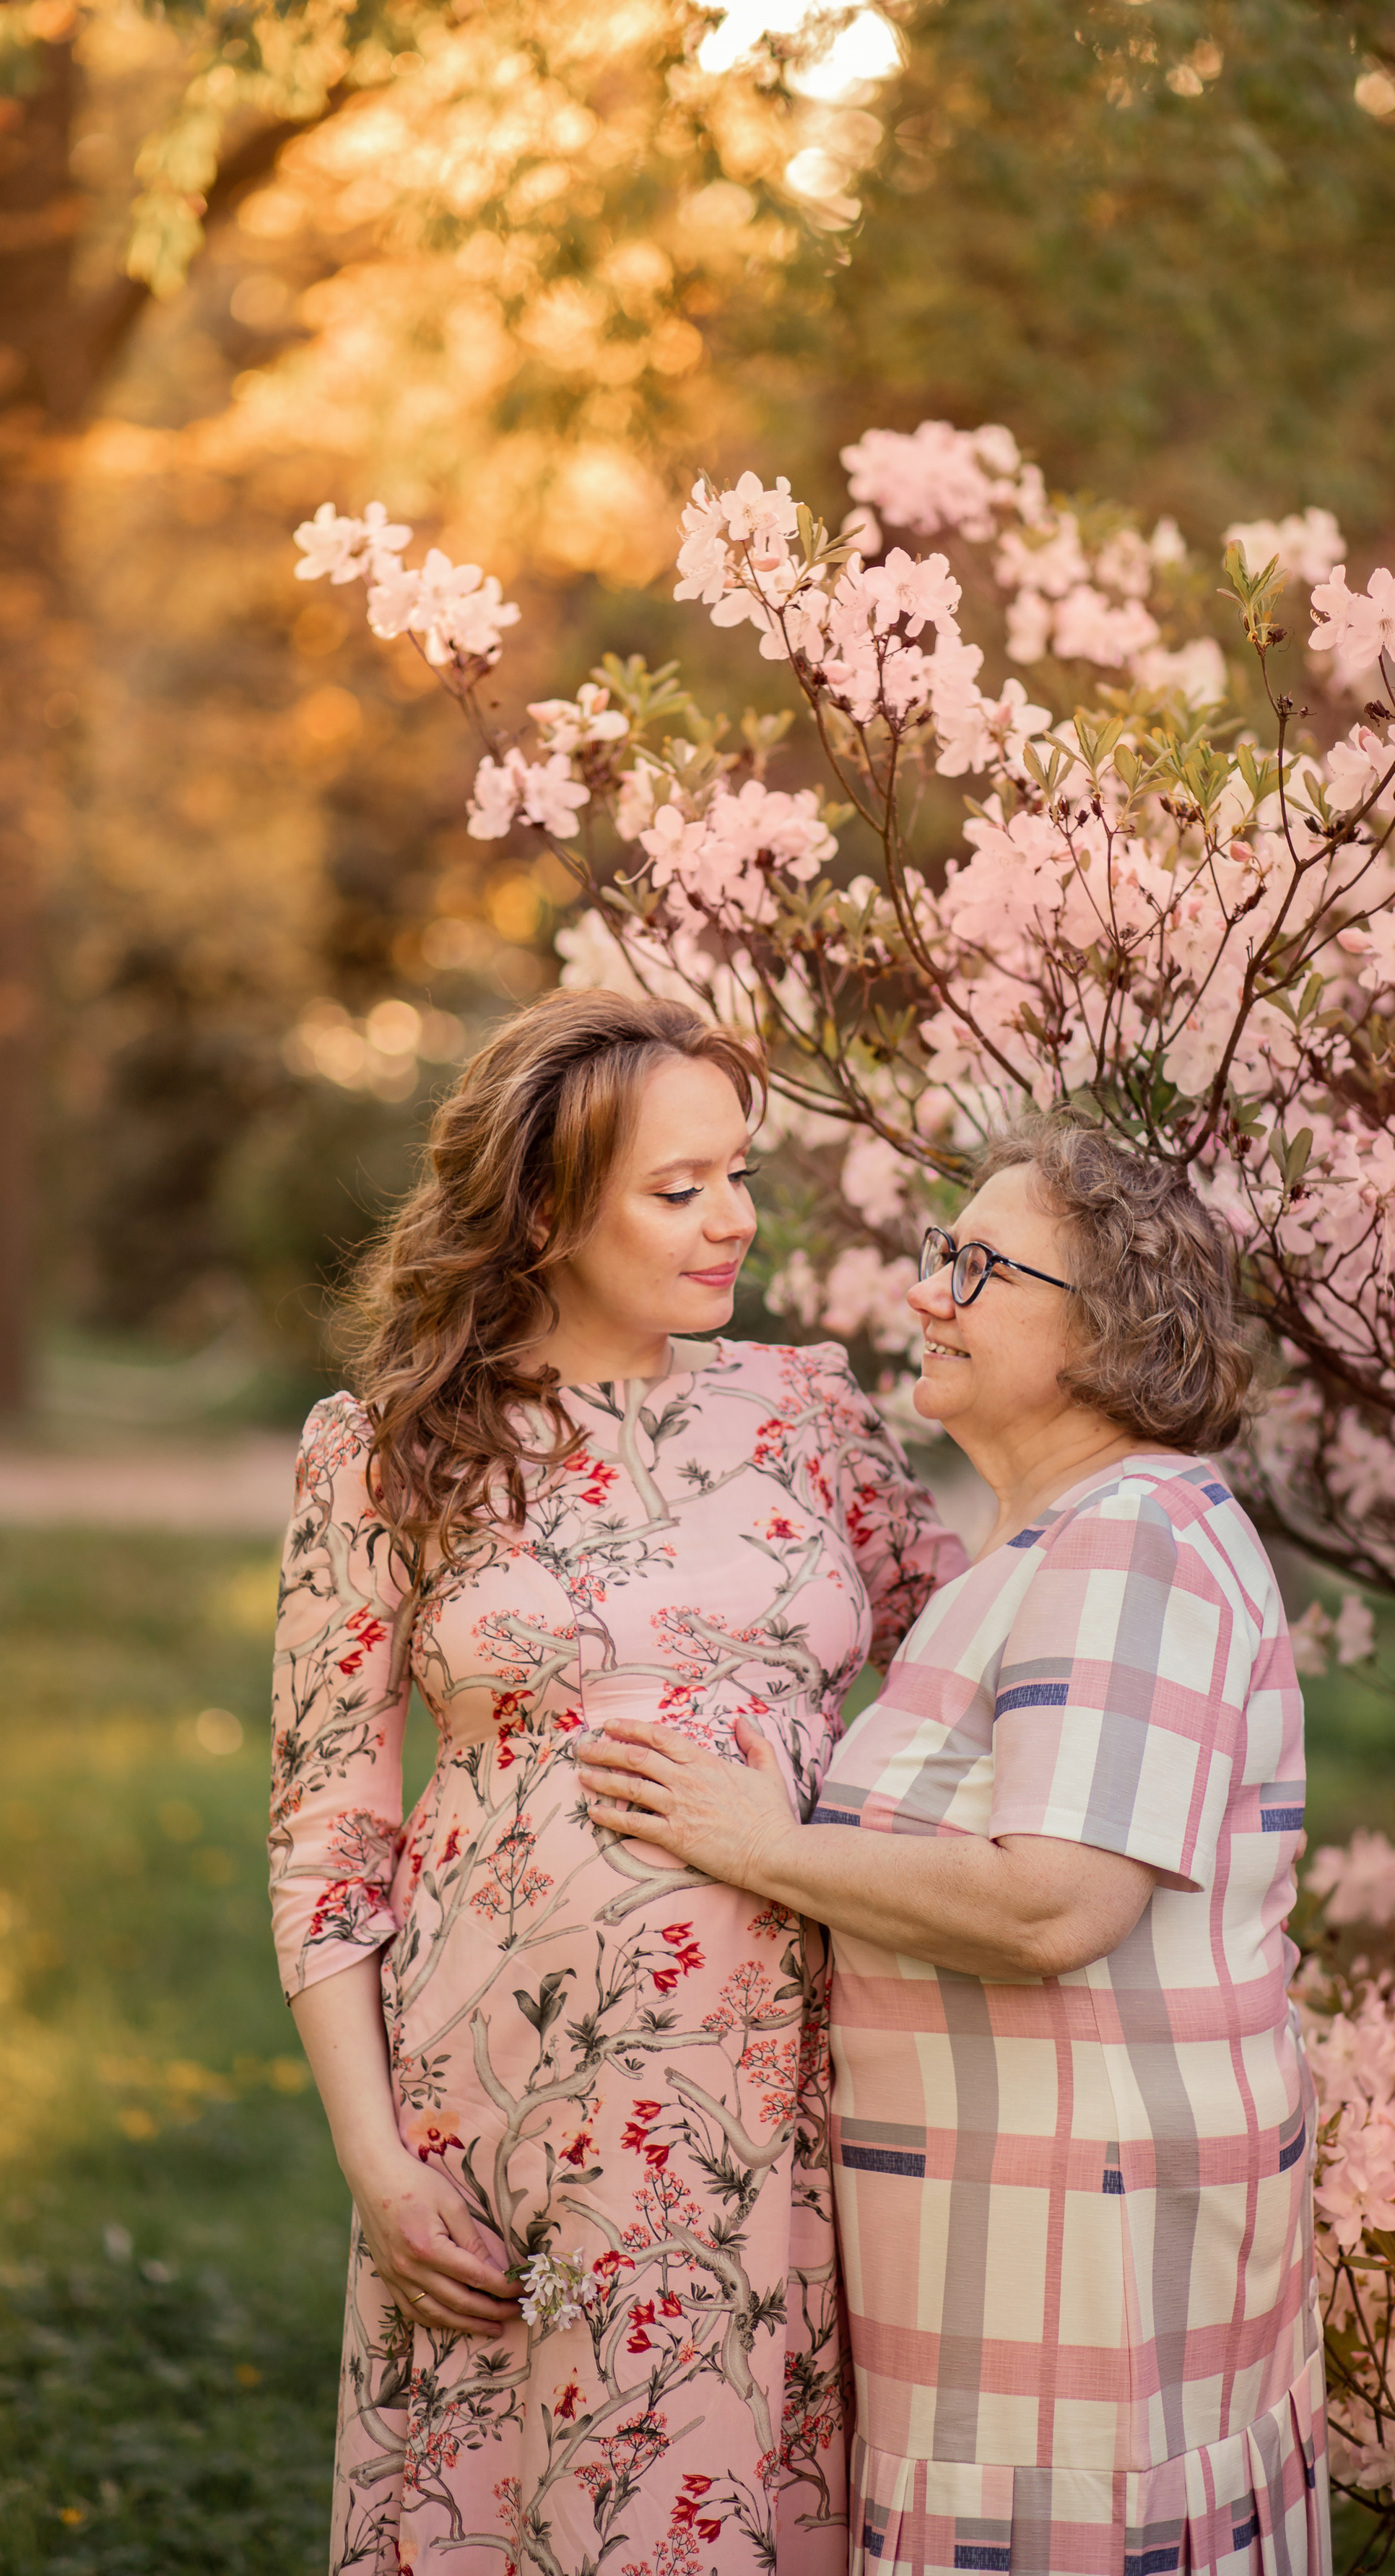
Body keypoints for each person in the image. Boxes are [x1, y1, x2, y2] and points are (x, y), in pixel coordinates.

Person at [268, 988, 965, 2576]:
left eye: (738, 1174)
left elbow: (961, 1678)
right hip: (508, 2098)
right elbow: (325, 1832)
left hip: (788, 2083)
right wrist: (375, 2161)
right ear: (542, 1208)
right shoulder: (385, 1452)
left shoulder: (808, 1417)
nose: (732, 1220)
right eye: (678, 1189)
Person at [578, 1113, 1329, 2576]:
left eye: (975, 1267)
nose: (925, 1293)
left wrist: (754, 1842)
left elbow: (1053, 1905)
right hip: (1020, 2264)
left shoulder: (1130, 1542)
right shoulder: (1056, 1545)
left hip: (1079, 2289)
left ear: (1104, 1328)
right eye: (938, 1256)